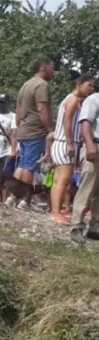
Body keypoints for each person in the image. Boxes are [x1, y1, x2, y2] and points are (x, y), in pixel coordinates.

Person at [48, 73, 94, 224]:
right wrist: (69, 143)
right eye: (89, 85)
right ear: (79, 84)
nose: (91, 89)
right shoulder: (73, 100)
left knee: (59, 180)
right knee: (63, 180)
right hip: (65, 143)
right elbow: (67, 121)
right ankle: (55, 212)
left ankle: (56, 209)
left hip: (62, 142)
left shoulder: (71, 99)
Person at [10, 57, 55, 210]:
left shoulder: (25, 84)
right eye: (52, 68)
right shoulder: (42, 85)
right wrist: (50, 129)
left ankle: (12, 197)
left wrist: (19, 125)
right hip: (35, 130)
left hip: (23, 129)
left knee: (23, 164)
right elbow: (42, 109)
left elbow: (18, 109)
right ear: (43, 67)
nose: (53, 71)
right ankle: (24, 199)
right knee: (29, 166)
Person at [71, 90, 99, 243]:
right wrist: (89, 145)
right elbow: (85, 123)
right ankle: (77, 225)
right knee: (87, 188)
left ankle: (95, 227)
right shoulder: (94, 100)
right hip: (95, 145)